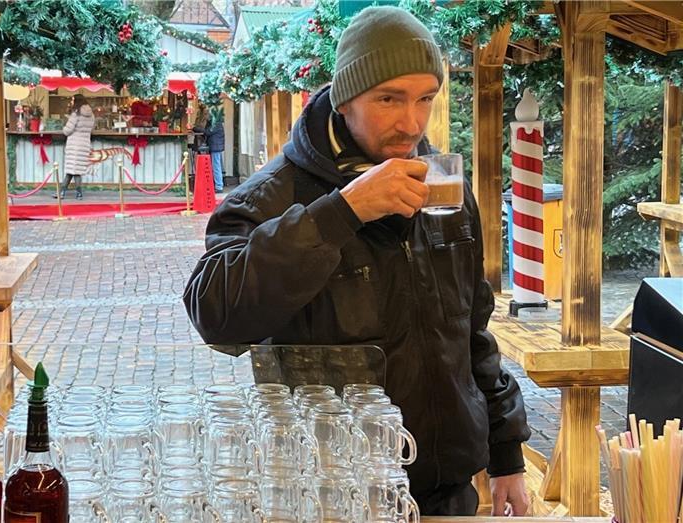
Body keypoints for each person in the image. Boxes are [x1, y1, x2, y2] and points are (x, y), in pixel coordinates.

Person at [184, 6, 531, 517]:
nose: (411, 122)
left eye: (425, 98)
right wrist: (341, 213)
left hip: (447, 492)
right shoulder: (270, 197)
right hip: (330, 495)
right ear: (344, 98)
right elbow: (215, 315)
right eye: (389, 99)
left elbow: (471, 331)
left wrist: (506, 451)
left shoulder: (445, 189)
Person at [57, 94, 95, 200]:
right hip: (84, 145)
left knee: (73, 170)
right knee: (75, 169)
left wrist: (63, 128)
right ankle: (63, 192)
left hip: (74, 145)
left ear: (77, 101)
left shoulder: (76, 114)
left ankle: (75, 193)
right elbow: (92, 129)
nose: (72, 102)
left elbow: (67, 130)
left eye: (73, 100)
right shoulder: (91, 115)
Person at [195, 107, 226, 193]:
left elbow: (207, 132)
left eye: (207, 114)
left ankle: (219, 186)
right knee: (216, 166)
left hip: (215, 147)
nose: (206, 116)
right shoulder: (216, 122)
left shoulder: (215, 123)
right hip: (216, 146)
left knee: (216, 166)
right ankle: (218, 185)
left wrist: (196, 128)